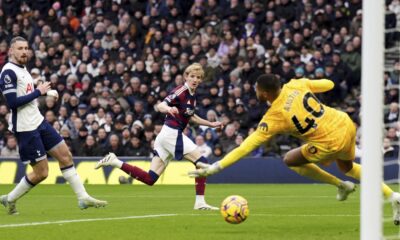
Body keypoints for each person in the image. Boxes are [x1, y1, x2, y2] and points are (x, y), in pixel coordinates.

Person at [189, 73, 400, 225]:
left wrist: (216, 167)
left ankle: (340, 185)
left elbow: (246, 147)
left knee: (290, 159)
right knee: (347, 167)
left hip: (328, 141)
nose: (256, 93)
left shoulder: (274, 116)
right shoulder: (295, 84)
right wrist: (309, 84)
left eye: (257, 91)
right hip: (344, 123)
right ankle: (393, 197)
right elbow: (329, 84)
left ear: (264, 93)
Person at [0, 37, 107, 215]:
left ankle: (83, 197)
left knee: (66, 156)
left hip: (39, 121)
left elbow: (25, 91)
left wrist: (45, 91)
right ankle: (10, 199)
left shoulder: (23, 69)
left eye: (26, 48)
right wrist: (38, 92)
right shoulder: (8, 73)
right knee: (42, 173)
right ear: (11, 51)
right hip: (26, 128)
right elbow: (12, 103)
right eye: (20, 48)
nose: (24, 51)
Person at [95, 63, 223, 210]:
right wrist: (169, 108)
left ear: (201, 80)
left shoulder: (192, 96)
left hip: (165, 136)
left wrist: (210, 124)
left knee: (150, 178)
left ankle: (114, 161)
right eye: (192, 76)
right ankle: (200, 202)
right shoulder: (181, 90)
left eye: (198, 77)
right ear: (186, 77)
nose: (195, 79)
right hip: (171, 133)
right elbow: (161, 106)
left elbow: (191, 117)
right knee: (202, 161)